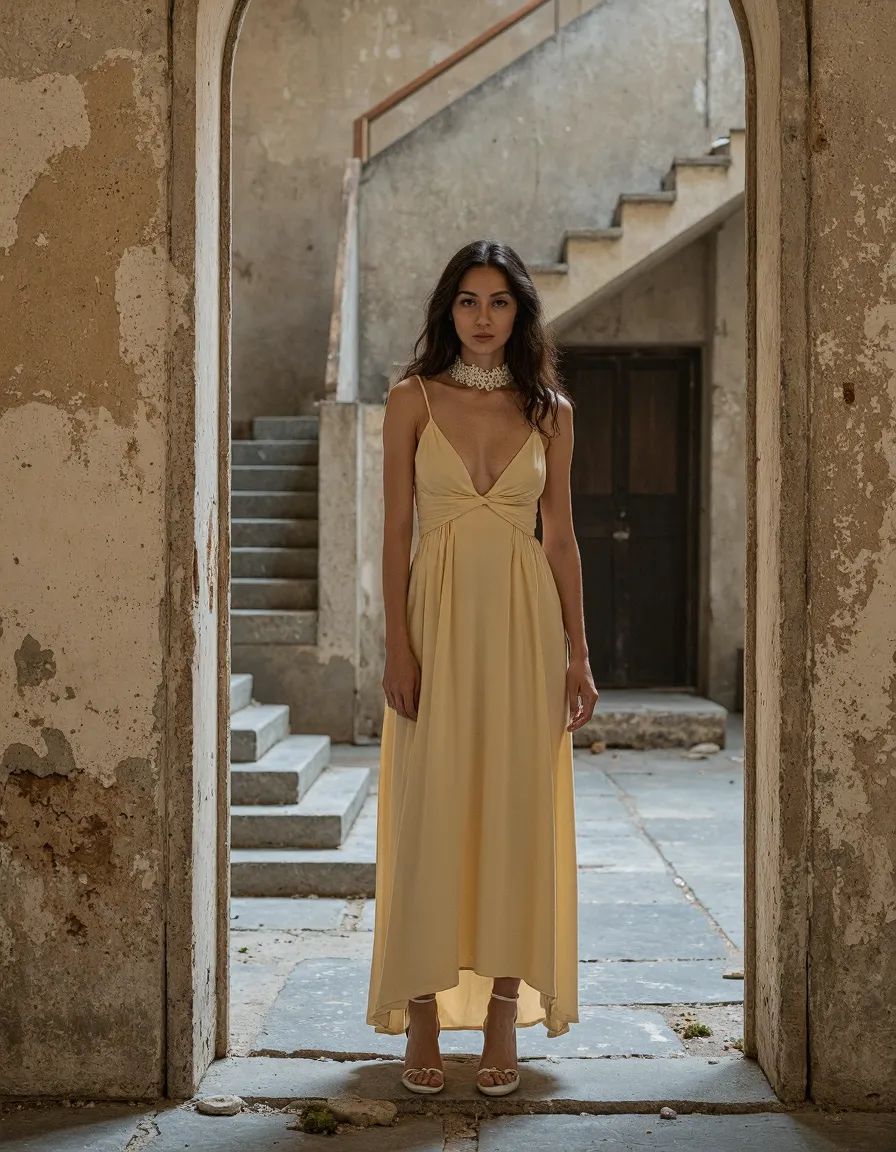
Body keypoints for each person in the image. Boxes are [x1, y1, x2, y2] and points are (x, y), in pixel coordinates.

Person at [365, 239, 599, 1097]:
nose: (482, 318)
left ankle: (505, 1008)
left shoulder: (551, 412)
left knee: (514, 808)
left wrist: (578, 653)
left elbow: (562, 539)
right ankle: (422, 1009)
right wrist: (396, 641)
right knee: (431, 807)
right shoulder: (410, 400)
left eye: (499, 302)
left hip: (525, 630)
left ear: (521, 313)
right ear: (447, 310)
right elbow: (395, 532)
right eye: (467, 301)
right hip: (435, 622)